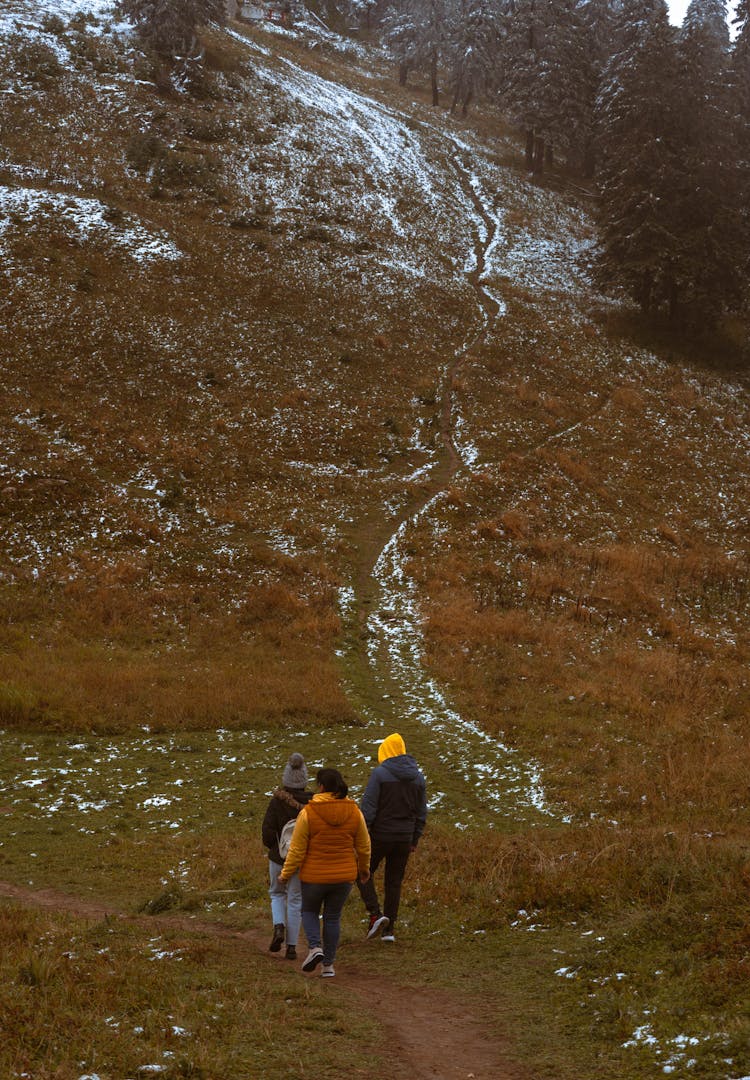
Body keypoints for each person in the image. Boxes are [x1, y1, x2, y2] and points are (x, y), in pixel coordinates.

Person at [279, 767, 370, 978]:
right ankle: (328, 965)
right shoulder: (354, 811)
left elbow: (297, 850)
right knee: (332, 917)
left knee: (309, 911)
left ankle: (314, 948)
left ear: (321, 787)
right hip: (344, 876)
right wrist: (363, 869)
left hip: (314, 876)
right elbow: (364, 845)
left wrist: (285, 874)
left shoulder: (309, 813)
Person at [357, 732, 427, 942]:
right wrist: (414, 839)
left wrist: (363, 834)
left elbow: (369, 808)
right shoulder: (418, 777)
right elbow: (421, 811)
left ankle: (376, 914)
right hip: (404, 838)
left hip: (380, 835)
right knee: (394, 882)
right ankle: (389, 930)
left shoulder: (380, 774)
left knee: (361, 872)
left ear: (385, 751)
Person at [261, 752, 312, 960]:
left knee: (276, 893)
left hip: (278, 858)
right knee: (295, 899)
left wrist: (275, 848)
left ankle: (278, 926)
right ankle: (291, 947)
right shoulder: (311, 805)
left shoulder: (276, 802)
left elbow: (266, 832)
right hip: (301, 859)